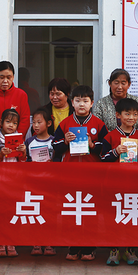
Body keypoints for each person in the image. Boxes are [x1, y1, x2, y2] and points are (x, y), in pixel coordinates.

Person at [51, 85, 106, 261]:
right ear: (72, 103)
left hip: (92, 173)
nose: (81, 104)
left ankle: (89, 246)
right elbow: (55, 146)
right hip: (71, 172)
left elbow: (105, 148)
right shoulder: (65, 123)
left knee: (90, 209)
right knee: (71, 208)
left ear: (92, 103)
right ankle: (73, 245)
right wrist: (65, 141)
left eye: (85, 101)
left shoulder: (98, 124)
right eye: (78, 101)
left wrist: (93, 145)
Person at [100, 98, 138, 266]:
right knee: (114, 217)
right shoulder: (110, 136)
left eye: (135, 114)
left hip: (135, 185)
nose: (131, 117)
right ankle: (114, 250)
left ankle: (130, 250)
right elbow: (102, 158)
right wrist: (115, 151)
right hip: (114, 185)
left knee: (133, 217)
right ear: (118, 115)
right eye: (127, 114)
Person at [0, 109, 26, 257]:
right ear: (1, 122)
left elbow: (22, 161)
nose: (11, 126)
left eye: (14, 123)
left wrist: (23, 152)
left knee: (12, 211)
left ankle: (11, 241)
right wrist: (1, 154)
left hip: (13, 179)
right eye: (8, 122)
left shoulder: (19, 138)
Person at [26, 108, 56, 257]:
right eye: (34, 123)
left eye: (39, 122)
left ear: (49, 123)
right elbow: (25, 160)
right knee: (35, 212)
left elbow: (59, 161)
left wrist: (52, 163)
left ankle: (49, 242)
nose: (36, 126)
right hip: (34, 183)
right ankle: (36, 242)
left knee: (49, 213)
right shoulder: (29, 142)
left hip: (50, 184)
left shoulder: (54, 141)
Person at [93, 69, 138, 136]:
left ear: (129, 84)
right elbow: (97, 126)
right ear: (109, 83)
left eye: (123, 83)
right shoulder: (101, 103)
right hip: (110, 141)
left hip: (135, 141)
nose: (120, 87)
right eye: (116, 83)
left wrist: (130, 138)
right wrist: (114, 138)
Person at [0, 61, 31, 136]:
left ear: (13, 77)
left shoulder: (21, 95)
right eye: (1, 77)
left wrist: (15, 138)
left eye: (9, 77)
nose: (5, 81)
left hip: (15, 140)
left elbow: (25, 120)